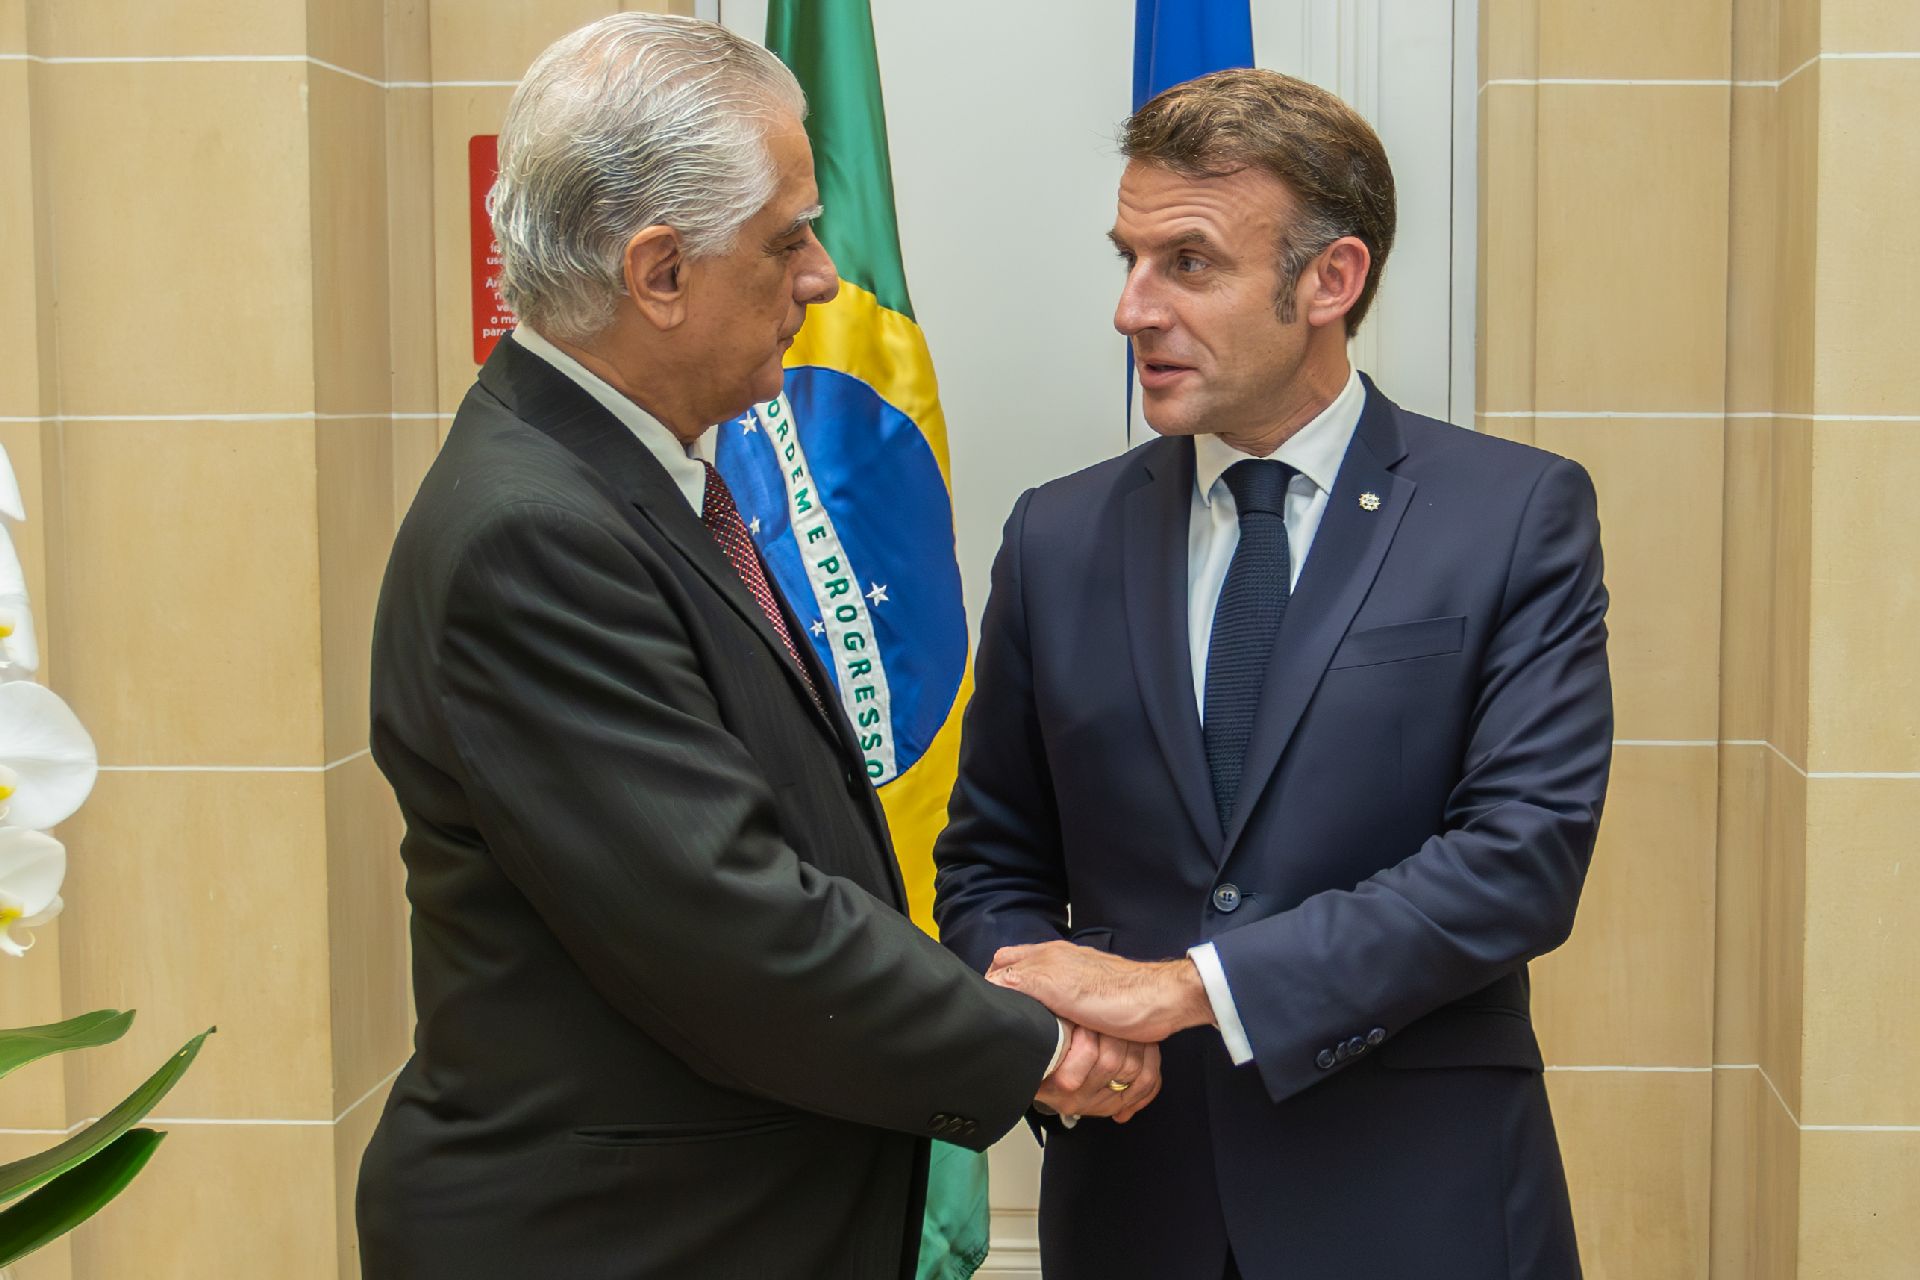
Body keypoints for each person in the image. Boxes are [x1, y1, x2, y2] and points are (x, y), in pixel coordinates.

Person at [355, 16, 1159, 1279]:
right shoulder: (536, 531)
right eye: (788, 238)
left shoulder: (627, 473)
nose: (825, 277)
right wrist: (1041, 1048)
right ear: (660, 273)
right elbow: (726, 925)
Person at [934, 68, 1611, 1279]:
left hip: (1418, 1206)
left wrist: (1190, 987)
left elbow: (1520, 860)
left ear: (1330, 281)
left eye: (1188, 263)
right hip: (1137, 1206)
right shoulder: (1054, 536)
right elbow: (994, 861)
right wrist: (1057, 1022)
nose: (1133, 308)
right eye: (1130, 259)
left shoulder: (1513, 516)